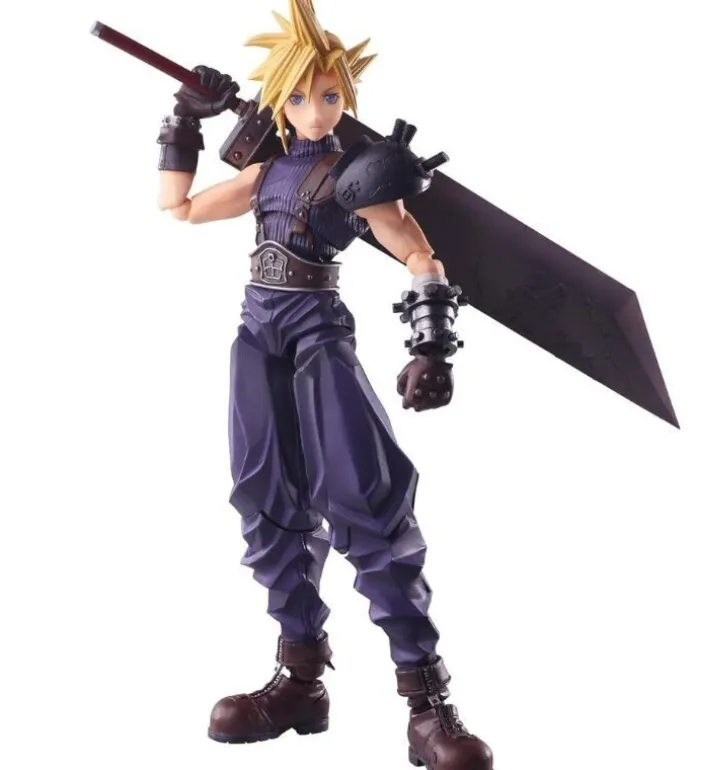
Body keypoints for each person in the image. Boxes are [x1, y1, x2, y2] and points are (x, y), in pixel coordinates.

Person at [156, 2, 492, 768]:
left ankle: (427, 704)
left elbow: (418, 252)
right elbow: (178, 207)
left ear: (348, 97)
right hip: (256, 339)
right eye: (301, 96)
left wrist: (432, 345)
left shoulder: (357, 176)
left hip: (317, 336)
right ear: (278, 99)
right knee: (266, 500)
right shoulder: (264, 172)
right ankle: (300, 681)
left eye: (331, 95)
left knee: (367, 501)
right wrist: (182, 119)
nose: (316, 110)